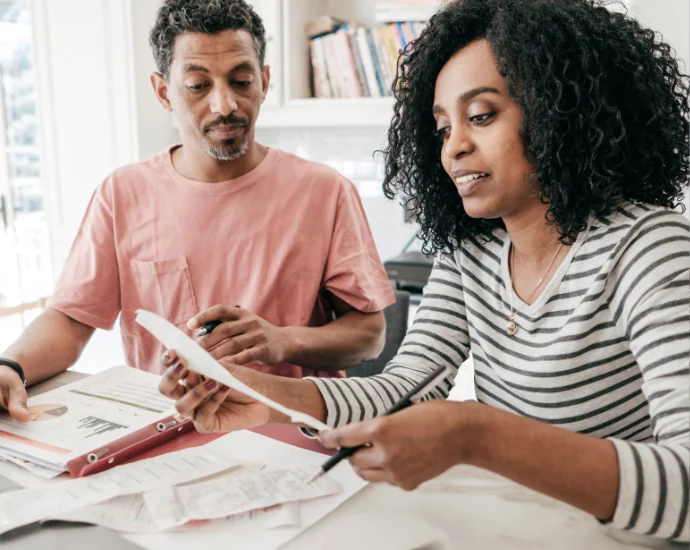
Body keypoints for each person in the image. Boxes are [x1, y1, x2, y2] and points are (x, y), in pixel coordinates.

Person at [159, 0, 690, 542]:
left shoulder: (647, 249)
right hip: (508, 526)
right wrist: (268, 397)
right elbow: (408, 386)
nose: (454, 147)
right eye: (441, 129)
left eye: (481, 116)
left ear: (562, 110)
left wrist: (475, 434)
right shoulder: (473, 251)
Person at [0, 0, 394, 422]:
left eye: (241, 81)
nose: (225, 105)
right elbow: (71, 319)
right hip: (167, 437)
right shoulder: (122, 193)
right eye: (198, 85)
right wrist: (11, 367)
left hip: (296, 437)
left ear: (264, 81)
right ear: (163, 91)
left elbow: (369, 337)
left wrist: (282, 341)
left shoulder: (326, 192)